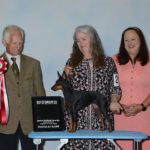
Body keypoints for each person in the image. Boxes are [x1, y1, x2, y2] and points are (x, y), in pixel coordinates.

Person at [62, 25, 122, 150]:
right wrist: (65, 76)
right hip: (76, 121)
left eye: (84, 39)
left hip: (101, 121)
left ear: (93, 39)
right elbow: (65, 89)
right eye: (77, 40)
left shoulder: (108, 62)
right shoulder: (71, 62)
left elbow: (115, 87)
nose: (80, 43)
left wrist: (114, 101)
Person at [0, 25, 46, 150]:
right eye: (14, 43)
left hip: (30, 125)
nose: (18, 46)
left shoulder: (34, 64)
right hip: (4, 125)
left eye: (21, 42)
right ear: (4, 42)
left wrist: (42, 123)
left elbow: (40, 95)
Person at [113, 27, 150, 150]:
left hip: (145, 117)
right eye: (126, 40)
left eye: (133, 39)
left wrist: (142, 106)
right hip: (120, 117)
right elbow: (108, 86)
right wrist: (118, 105)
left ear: (141, 41)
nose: (130, 43)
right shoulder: (114, 60)